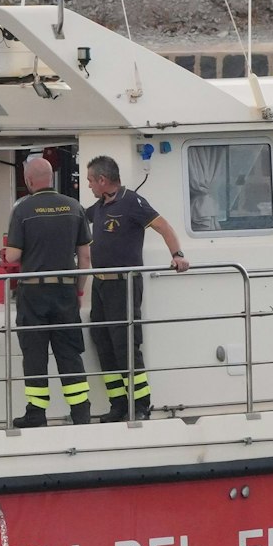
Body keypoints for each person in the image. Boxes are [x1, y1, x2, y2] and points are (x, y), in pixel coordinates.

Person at [83, 155, 187, 422]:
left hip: (124, 285)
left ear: (103, 180)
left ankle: (141, 406)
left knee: (126, 346)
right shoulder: (99, 207)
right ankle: (118, 405)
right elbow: (77, 220)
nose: (90, 187)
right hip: (101, 287)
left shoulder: (133, 202)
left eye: (91, 182)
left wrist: (177, 254)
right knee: (103, 345)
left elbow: (163, 227)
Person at [4, 155, 92, 427]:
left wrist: (9, 251)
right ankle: (80, 412)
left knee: (35, 354)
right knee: (69, 353)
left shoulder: (23, 209)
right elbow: (85, 258)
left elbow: (12, 256)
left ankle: (36, 413)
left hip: (33, 295)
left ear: (28, 181)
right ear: (51, 179)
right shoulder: (74, 206)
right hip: (65, 292)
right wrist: (77, 293)